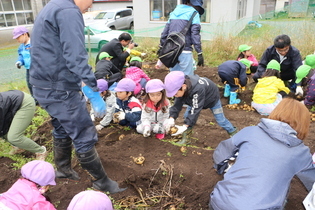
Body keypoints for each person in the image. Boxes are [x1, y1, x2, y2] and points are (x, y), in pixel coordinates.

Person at [29, 0, 125, 194]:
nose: (91, 5)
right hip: (58, 87)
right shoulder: (68, 11)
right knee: (83, 133)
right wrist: (92, 88)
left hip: (43, 83)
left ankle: (63, 169)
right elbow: (75, 56)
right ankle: (101, 181)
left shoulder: (53, 6)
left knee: (61, 125)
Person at [209, 98, 315, 210]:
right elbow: (311, 179)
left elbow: (221, 153)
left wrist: (222, 168)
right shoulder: (300, 152)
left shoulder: (251, 131)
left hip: (220, 202)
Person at [163, 71, 237, 145]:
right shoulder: (181, 86)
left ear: (184, 86)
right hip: (194, 99)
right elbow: (177, 104)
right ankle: (187, 139)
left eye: (175, 93)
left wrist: (185, 126)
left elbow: (195, 109)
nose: (175, 95)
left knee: (221, 120)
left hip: (212, 99)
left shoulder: (197, 89)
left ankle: (235, 134)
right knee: (187, 116)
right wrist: (171, 118)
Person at [159, 0, 205, 75]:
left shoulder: (173, 13)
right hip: (185, 50)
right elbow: (195, 34)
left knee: (174, 78)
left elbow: (165, 33)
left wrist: (161, 47)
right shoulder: (194, 13)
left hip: (172, 51)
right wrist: (199, 52)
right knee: (187, 79)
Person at [0, 90, 48, 160]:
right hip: (11, 107)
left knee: (14, 137)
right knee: (3, 132)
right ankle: (19, 147)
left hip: (24, 103)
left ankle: (41, 151)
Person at [12, 26, 34, 98]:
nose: (17, 40)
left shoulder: (34, 43)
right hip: (28, 69)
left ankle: (43, 101)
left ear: (25, 34)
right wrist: (19, 62)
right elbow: (21, 56)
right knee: (30, 84)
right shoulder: (21, 47)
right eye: (16, 38)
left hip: (37, 68)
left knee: (39, 84)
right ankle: (36, 101)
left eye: (18, 37)